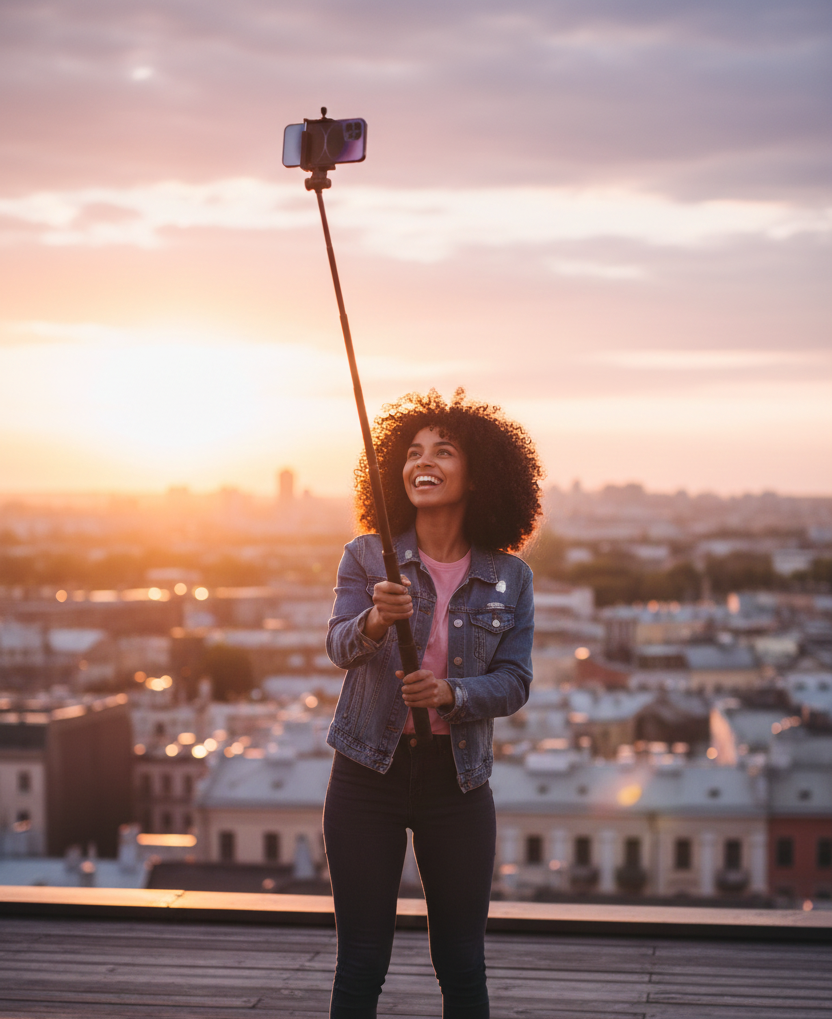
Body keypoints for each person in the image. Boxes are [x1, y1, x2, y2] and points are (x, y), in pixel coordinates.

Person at [324, 388, 543, 1019]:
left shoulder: (511, 576)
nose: (425, 460)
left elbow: (516, 681)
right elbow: (339, 647)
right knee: (362, 962)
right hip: (368, 775)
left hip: (459, 783)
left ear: (479, 476)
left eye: (444, 451)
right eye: (414, 450)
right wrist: (372, 621)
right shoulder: (367, 555)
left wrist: (453, 693)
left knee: (462, 965)